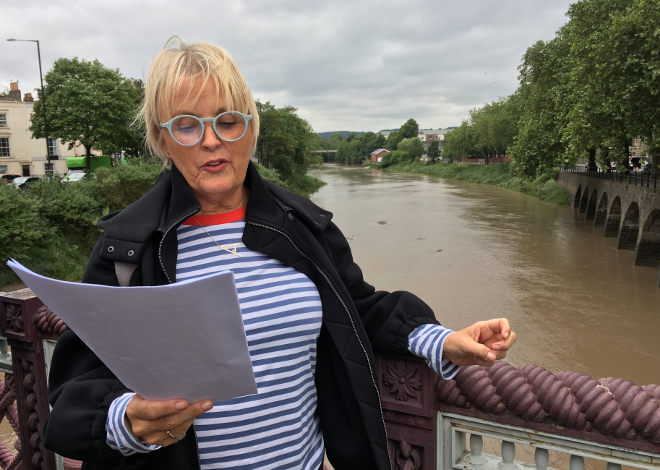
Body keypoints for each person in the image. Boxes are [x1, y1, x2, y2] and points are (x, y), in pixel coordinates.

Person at [42, 37, 516, 470]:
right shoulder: (129, 249)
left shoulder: (302, 226)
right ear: (163, 140)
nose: (212, 140)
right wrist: (127, 421)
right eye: (187, 126)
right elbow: (73, 393)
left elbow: (357, 308)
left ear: (250, 129)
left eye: (228, 121)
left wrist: (439, 340)